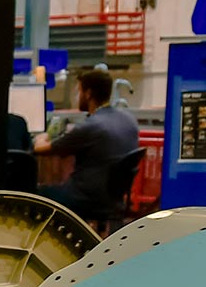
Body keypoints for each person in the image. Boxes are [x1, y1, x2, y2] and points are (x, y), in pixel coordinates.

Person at [34, 68, 139, 218]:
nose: (77, 96)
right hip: (113, 199)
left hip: (83, 198)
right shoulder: (129, 120)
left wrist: (41, 136)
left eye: (79, 91)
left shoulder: (90, 126)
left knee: (35, 195)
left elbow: (41, 149)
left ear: (88, 94)